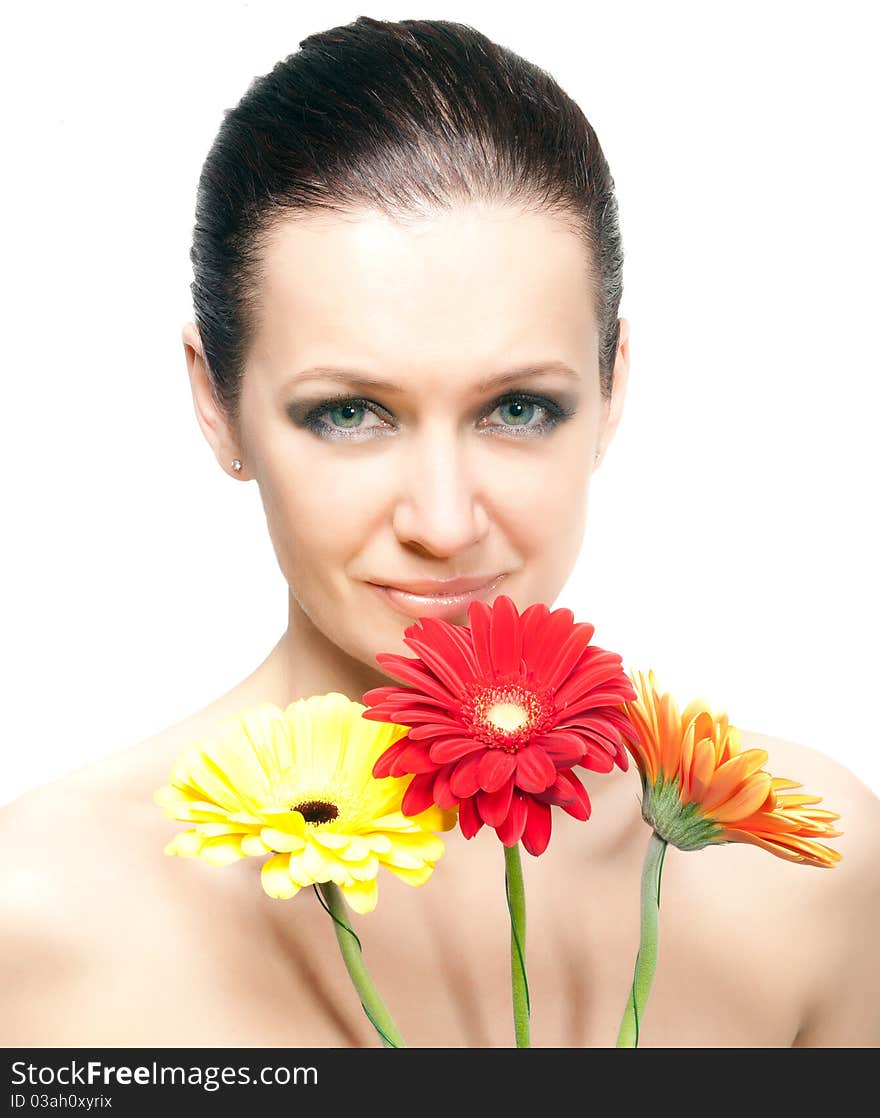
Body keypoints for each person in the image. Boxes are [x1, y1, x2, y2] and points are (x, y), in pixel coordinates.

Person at [2, 15, 878, 1049]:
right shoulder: (40, 915)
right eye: (346, 413)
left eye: (516, 408)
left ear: (611, 389)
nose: (444, 521)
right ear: (216, 402)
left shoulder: (801, 876)